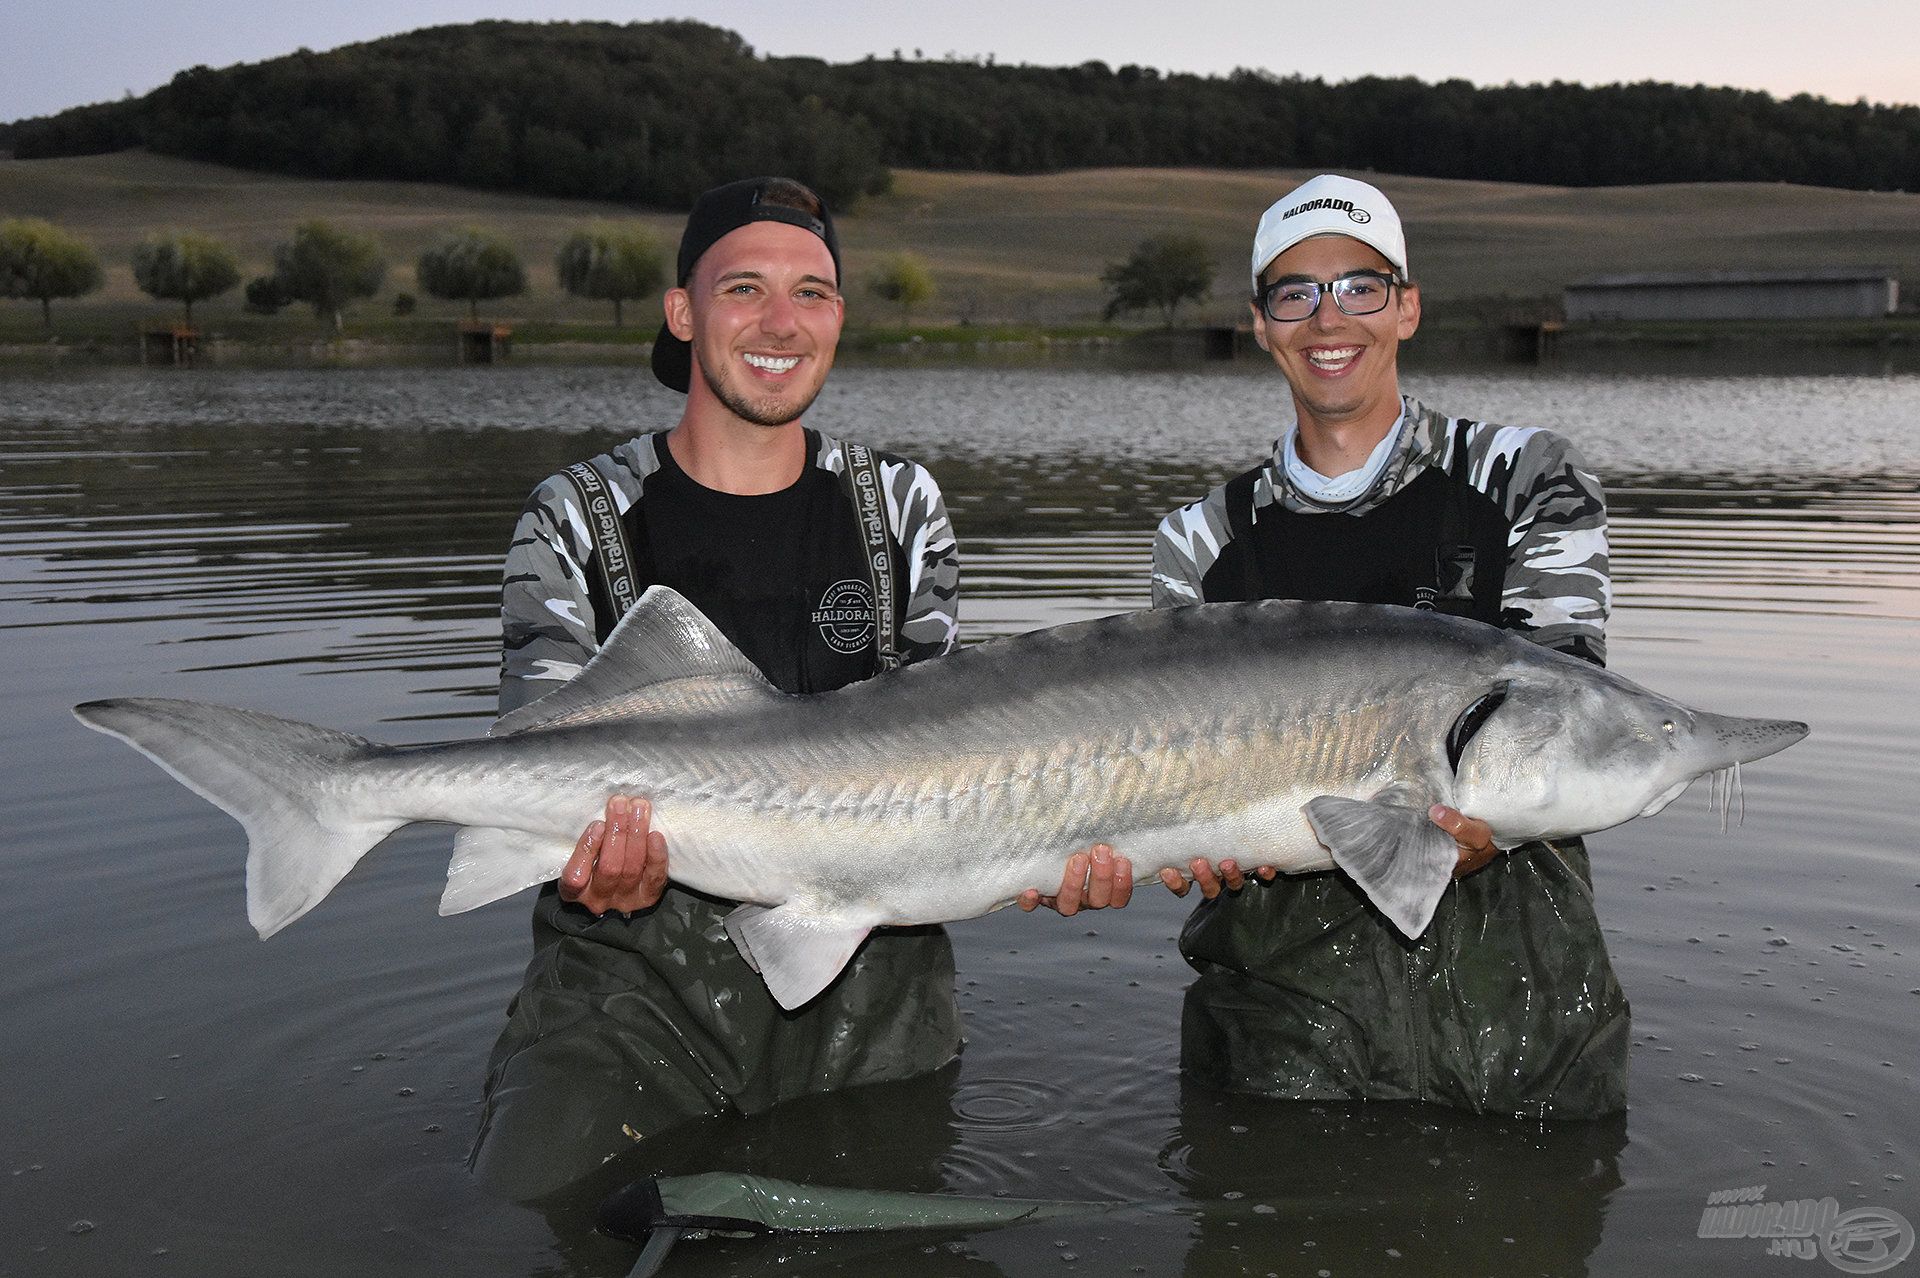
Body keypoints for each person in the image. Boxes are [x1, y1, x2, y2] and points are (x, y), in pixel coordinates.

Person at [470, 176, 1124, 1199]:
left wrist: (1059, 831)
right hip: (628, 979)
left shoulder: (900, 505)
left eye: (813, 293)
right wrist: (589, 865)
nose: (783, 323)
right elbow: (527, 765)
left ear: (840, 319)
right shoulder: (575, 515)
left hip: (874, 986)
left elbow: (951, 754)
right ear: (683, 312)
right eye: (745, 288)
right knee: (528, 1213)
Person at [1150, 173, 1629, 1119]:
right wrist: (1171, 844)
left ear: (1406, 308)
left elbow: (1564, 715)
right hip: (1280, 1023)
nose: (1331, 318)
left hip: (1521, 1002)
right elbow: (1170, 796)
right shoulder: (1201, 541)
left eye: (1360, 286)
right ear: (1262, 323)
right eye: (1297, 292)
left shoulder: (1528, 477)